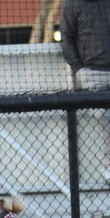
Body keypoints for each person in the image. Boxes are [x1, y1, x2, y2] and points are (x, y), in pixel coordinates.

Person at [60, 0, 110, 176]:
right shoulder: (73, 3)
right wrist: (79, 68)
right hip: (91, 72)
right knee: (101, 114)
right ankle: (108, 163)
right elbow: (66, 36)